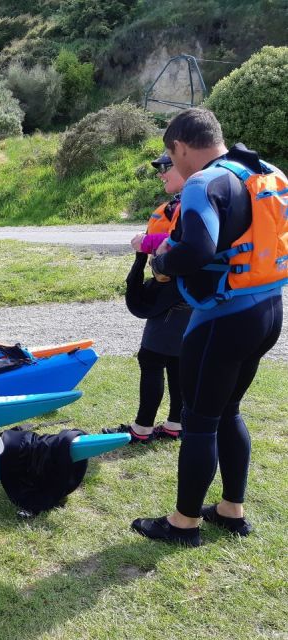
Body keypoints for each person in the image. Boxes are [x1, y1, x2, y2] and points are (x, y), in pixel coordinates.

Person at [131, 108, 285, 546]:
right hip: (268, 310)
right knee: (228, 411)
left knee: (199, 421)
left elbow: (195, 247)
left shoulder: (204, 182)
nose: (171, 163)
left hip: (223, 316)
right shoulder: (266, 172)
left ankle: (183, 524)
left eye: (170, 154)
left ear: (180, 146)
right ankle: (230, 510)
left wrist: (160, 263)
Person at [102, 155, 190, 443]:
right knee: (177, 360)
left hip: (173, 295)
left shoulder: (191, 200)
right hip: (188, 295)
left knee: (151, 359)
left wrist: (147, 243)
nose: (161, 174)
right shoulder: (196, 197)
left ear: (185, 165)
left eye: (167, 167)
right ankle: (175, 424)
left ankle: (141, 430)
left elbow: (183, 243)